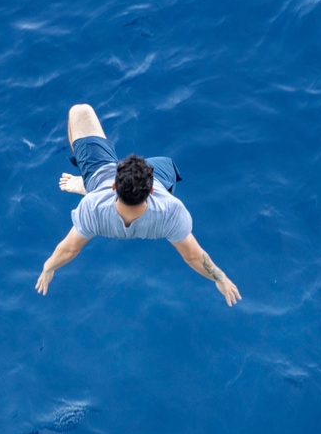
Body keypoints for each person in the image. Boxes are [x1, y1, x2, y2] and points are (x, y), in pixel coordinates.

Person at [35, 104, 241, 306]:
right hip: (153, 196)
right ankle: (96, 182)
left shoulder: (91, 208)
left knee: (79, 111)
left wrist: (48, 268)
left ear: (114, 186)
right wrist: (220, 279)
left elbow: (69, 249)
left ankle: (87, 184)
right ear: (151, 190)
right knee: (166, 164)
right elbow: (194, 256)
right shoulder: (171, 211)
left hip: (100, 177)